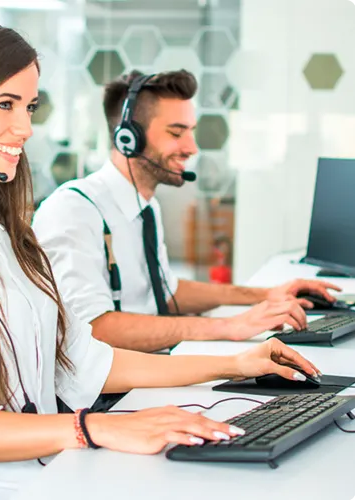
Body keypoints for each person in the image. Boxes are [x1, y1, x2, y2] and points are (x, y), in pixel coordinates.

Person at [0, 15, 319, 500]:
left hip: (50, 471)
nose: (25, 127)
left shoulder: (4, 232)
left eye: (30, 107)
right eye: (5, 104)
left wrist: (235, 364)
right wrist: (89, 429)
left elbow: (85, 361)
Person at [32, 70, 341, 353]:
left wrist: (267, 294)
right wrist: (230, 327)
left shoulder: (146, 207)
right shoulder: (74, 210)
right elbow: (93, 329)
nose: (192, 147)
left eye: (191, 131)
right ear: (128, 138)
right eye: (176, 133)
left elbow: (166, 292)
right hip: (106, 396)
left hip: (155, 367)